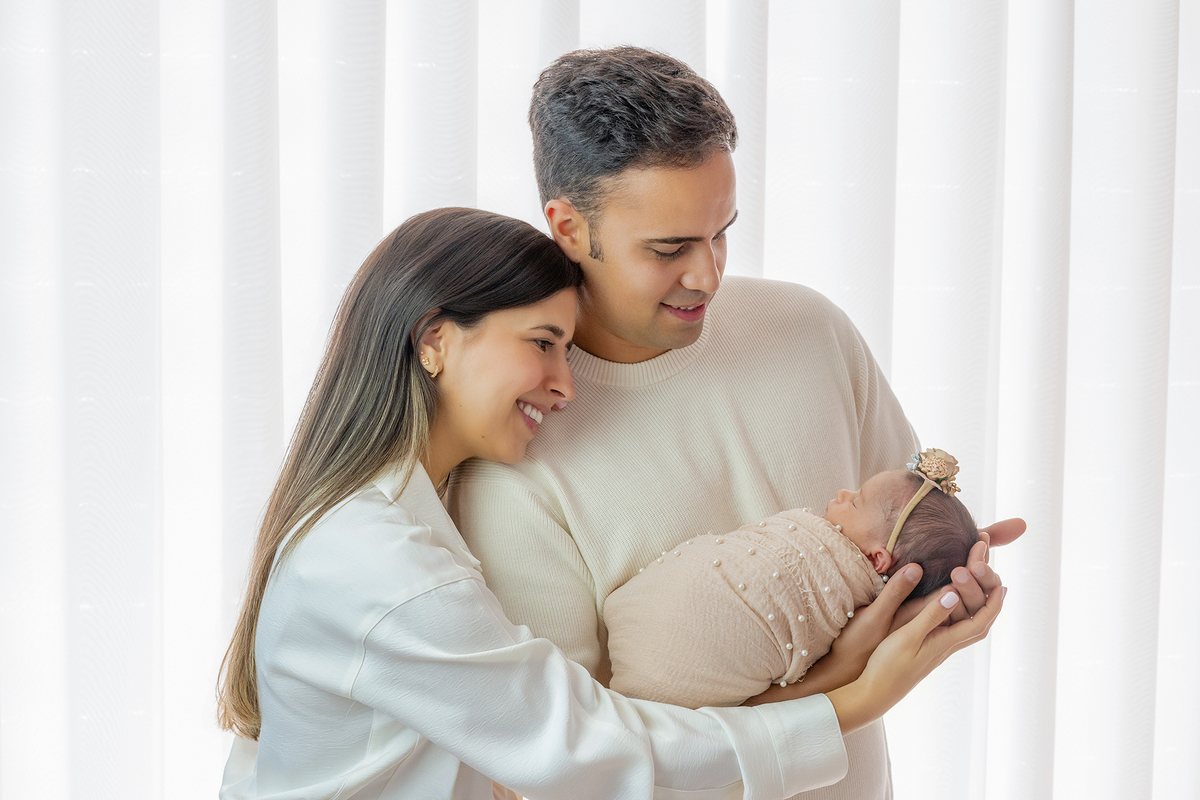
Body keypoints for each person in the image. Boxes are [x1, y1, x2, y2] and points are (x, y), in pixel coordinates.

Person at [214, 207, 998, 800]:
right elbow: (584, 749)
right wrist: (856, 697)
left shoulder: (399, 519)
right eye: (541, 343)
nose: (565, 384)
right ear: (435, 341)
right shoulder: (383, 564)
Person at [448, 47, 1019, 800]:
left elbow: (903, 547)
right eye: (669, 248)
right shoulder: (517, 451)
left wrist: (949, 590)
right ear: (568, 227)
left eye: (722, 232)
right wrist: (836, 689)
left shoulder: (810, 331)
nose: (707, 274)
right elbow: (566, 771)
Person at [605, 448, 979, 708]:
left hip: (664, 676)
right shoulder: (824, 540)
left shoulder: (853, 596)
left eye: (855, 501)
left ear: (876, 558)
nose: (842, 493)